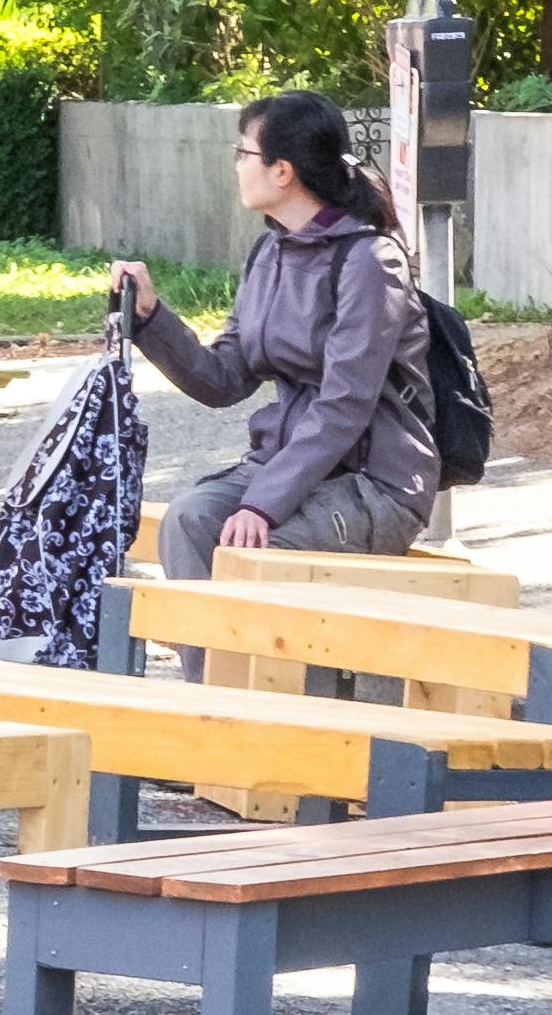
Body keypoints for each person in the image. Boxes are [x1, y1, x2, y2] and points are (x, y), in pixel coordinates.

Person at [113, 90, 439, 623]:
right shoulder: (269, 253)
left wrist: (262, 503)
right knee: (189, 519)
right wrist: (150, 316)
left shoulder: (370, 262)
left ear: (282, 170)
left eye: (243, 152)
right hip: (289, 471)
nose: (236, 165)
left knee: (249, 551)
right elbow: (222, 379)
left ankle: (279, 697)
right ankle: (212, 694)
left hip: (374, 484)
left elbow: (344, 406)